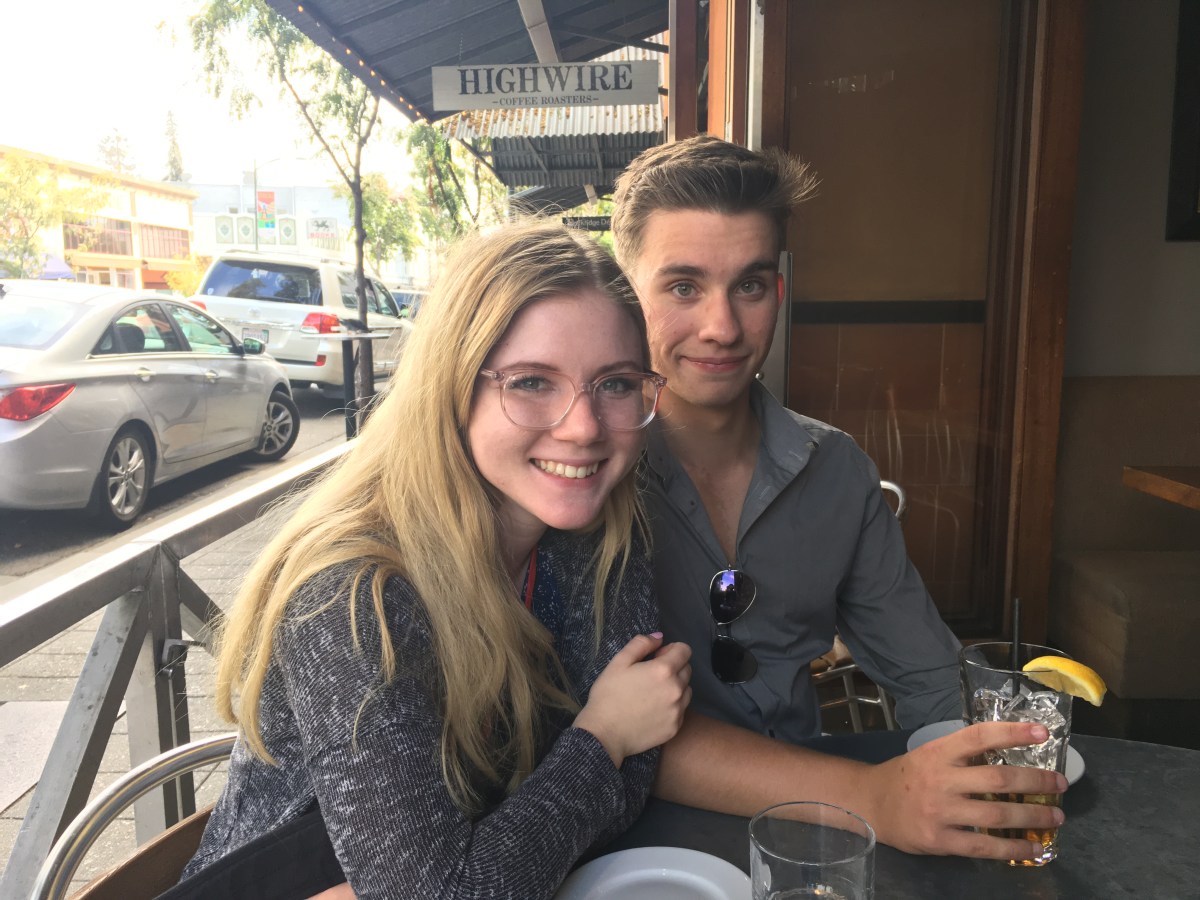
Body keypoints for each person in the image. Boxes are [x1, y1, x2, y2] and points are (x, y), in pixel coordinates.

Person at [168, 222, 692, 899]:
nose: (584, 426)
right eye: (532, 381)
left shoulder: (603, 530)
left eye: (615, 384)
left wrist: (510, 844)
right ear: (453, 387)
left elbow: (631, 787)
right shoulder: (350, 596)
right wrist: (602, 737)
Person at [610, 134, 1067, 861]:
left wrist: (988, 758)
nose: (722, 328)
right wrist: (876, 796)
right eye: (684, 287)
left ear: (778, 293)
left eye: (749, 286)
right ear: (626, 295)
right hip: (633, 846)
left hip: (808, 837)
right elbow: (595, 724)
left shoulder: (837, 471)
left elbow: (925, 672)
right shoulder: (589, 475)